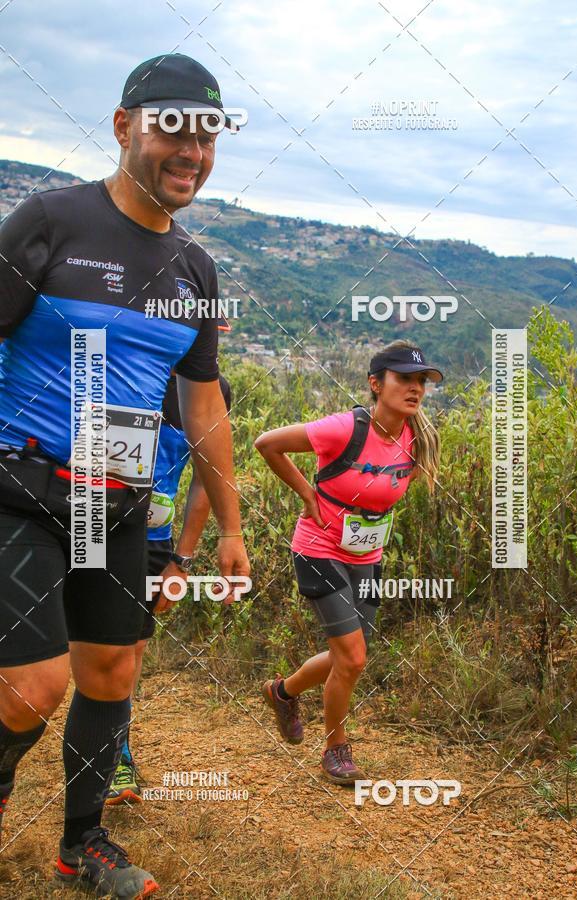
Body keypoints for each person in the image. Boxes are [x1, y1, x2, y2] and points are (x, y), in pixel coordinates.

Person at [0, 53, 249, 899]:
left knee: (110, 674)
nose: (192, 151)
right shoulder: (50, 221)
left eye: (207, 135)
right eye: (174, 128)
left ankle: (82, 845)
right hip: (19, 486)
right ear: (123, 127)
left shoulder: (196, 271)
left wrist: (231, 525)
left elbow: (205, 404)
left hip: (117, 498)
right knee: (35, 688)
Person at [256, 340, 442, 784]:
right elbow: (267, 444)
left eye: (421, 381)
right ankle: (335, 749)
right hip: (318, 549)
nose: (415, 388)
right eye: (404, 379)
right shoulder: (343, 428)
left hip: (367, 555)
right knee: (353, 658)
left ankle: (283, 692)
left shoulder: (420, 438)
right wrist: (307, 494)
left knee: (350, 655)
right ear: (376, 384)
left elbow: (387, 494)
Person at [107, 373, 232, 805]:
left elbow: (205, 476)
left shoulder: (213, 393)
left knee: (130, 650)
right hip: (83, 525)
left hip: (151, 542)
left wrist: (182, 560)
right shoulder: (127, 368)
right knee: (61, 656)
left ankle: (115, 755)